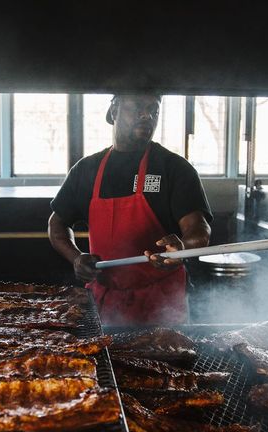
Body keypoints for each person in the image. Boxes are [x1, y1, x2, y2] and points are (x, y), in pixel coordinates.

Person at [48, 94, 212, 325]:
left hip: (162, 303)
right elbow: (56, 224)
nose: (147, 115)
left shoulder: (175, 168)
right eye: (137, 107)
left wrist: (182, 247)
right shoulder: (87, 169)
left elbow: (199, 230)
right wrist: (76, 258)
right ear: (112, 112)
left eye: (154, 110)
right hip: (105, 302)